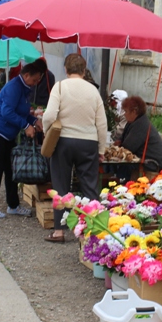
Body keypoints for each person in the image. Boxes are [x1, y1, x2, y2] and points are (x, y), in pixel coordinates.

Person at [42, 54, 107, 242]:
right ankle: (92, 230)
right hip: (88, 142)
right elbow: (101, 124)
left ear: (65, 69)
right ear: (84, 70)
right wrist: (101, 150)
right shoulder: (93, 91)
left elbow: (48, 116)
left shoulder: (60, 87)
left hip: (63, 141)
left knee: (61, 185)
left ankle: (59, 231)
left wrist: (48, 132)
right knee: (90, 186)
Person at [0, 60, 45, 218]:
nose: (36, 83)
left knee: (11, 170)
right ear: (26, 75)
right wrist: (25, 126)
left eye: (38, 80)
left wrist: (34, 121)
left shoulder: (25, 88)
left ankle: (13, 205)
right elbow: (7, 112)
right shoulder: (14, 87)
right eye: (35, 79)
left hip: (8, 135)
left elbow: (22, 112)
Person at [118, 96, 162, 178]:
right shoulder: (136, 122)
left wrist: (117, 147)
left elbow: (127, 148)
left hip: (155, 165)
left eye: (126, 111)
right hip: (149, 163)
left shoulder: (140, 125)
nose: (124, 114)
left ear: (134, 111)